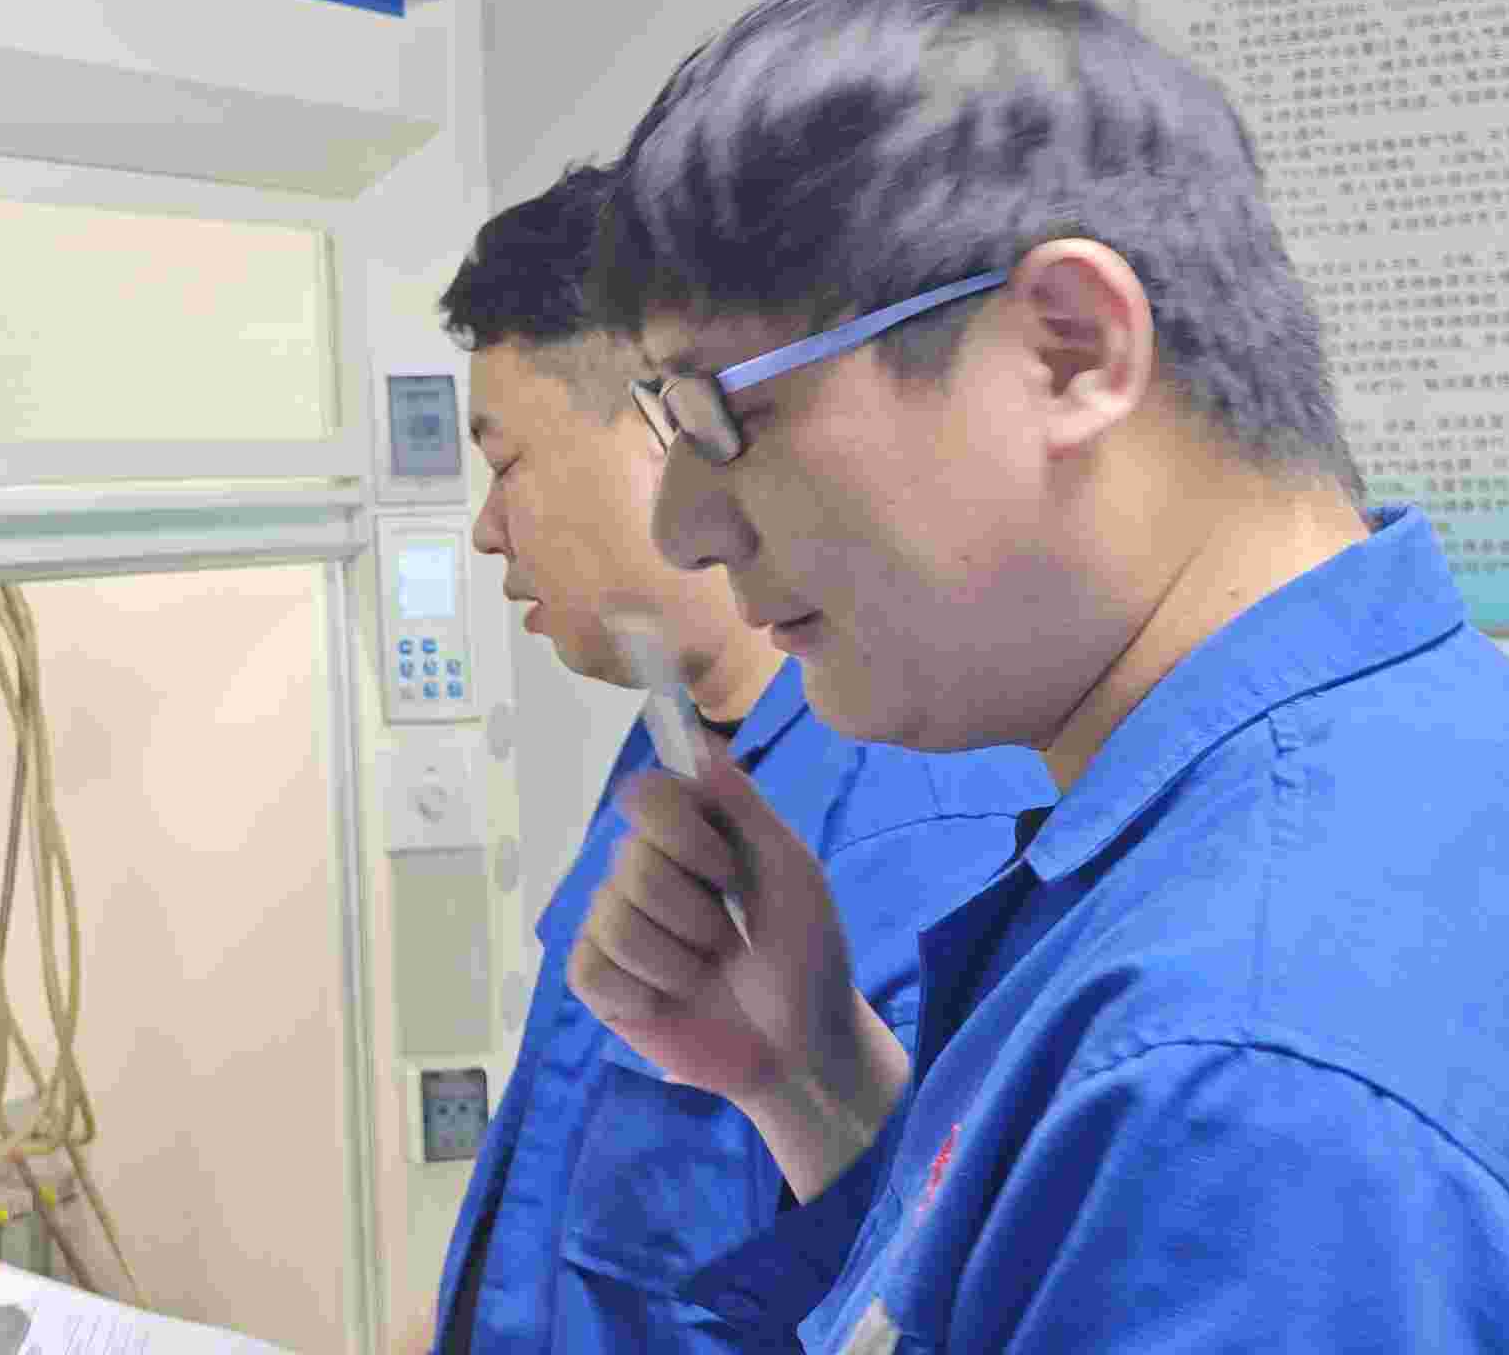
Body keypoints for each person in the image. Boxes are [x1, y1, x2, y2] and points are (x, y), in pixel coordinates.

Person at [561, 0, 1509, 1353]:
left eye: (722, 416)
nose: (682, 526)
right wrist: (818, 1084)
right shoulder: (1449, 763)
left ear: (1069, 349)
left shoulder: (1253, 1067)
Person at [408, 166, 1052, 1355]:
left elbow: (912, 1298)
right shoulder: (677, 750)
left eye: (505, 465)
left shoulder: (913, 823)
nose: (488, 531)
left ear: (664, 429)